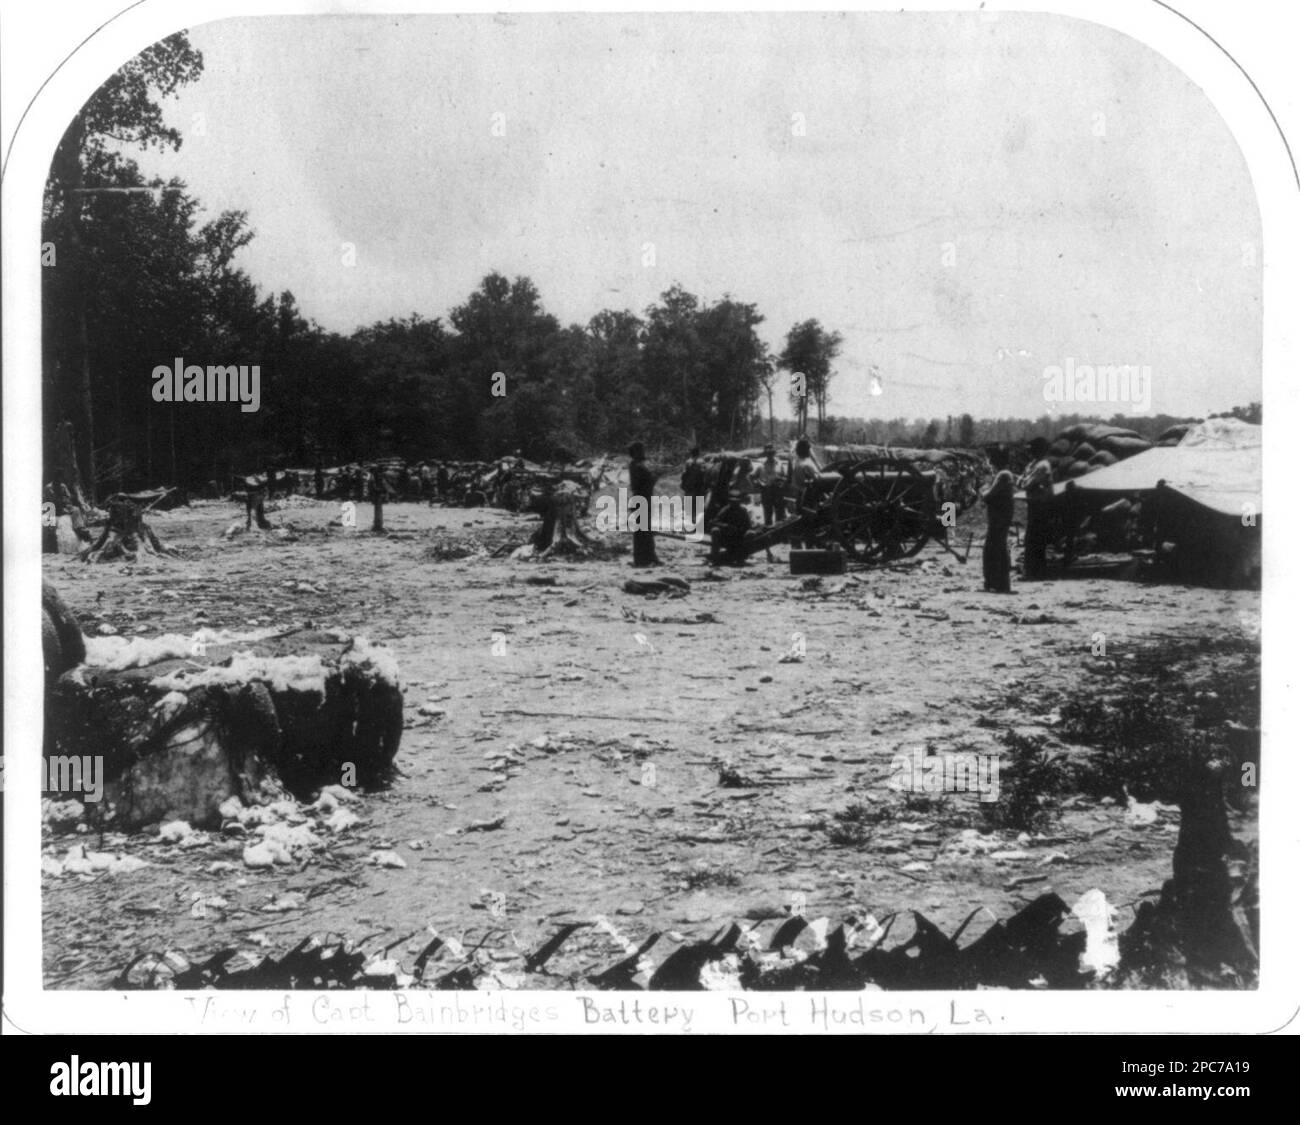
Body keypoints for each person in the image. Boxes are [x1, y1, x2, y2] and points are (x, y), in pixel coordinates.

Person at [980, 446, 1015, 593]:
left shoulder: (1003, 475)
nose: (988, 462)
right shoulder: (1001, 475)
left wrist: (983, 492)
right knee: (995, 548)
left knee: (994, 549)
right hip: (998, 516)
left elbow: (989, 495)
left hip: (1000, 518)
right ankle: (995, 583)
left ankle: (997, 583)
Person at [1018, 437, 1055, 579]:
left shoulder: (1042, 466)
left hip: (1041, 506)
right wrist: (1024, 480)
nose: (1030, 452)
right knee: (1033, 539)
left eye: (1032, 449)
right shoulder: (1035, 464)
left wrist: (1023, 480)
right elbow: (1023, 481)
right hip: (1035, 505)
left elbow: (1025, 484)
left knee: (1035, 540)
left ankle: (1034, 572)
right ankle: (1035, 571)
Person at [627, 441, 661, 567]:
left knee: (645, 530)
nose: (643, 452)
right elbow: (643, 482)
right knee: (642, 531)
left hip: (644, 499)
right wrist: (654, 477)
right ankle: (642, 559)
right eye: (640, 450)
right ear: (635, 452)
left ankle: (650, 557)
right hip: (640, 499)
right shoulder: (637, 466)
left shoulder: (638, 465)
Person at [754, 444, 787, 563]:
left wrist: (781, 482)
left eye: (771, 453)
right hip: (766, 492)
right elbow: (752, 477)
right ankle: (768, 540)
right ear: (765, 454)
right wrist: (759, 484)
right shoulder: (760, 465)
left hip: (777, 492)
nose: (770, 456)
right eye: (768, 453)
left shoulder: (780, 464)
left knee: (780, 516)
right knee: (768, 516)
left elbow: (785, 477)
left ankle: (780, 538)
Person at [789, 439, 821, 549]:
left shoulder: (797, 463)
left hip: (800, 496)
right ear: (807, 450)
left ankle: (797, 546)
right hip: (809, 499)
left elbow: (794, 483)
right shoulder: (807, 464)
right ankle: (809, 547)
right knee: (809, 524)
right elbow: (818, 480)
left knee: (801, 524)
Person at [709, 488, 752, 566]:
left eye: (736, 501)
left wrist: (741, 529)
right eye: (733, 501)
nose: (734, 503)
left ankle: (741, 558)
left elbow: (748, 525)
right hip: (726, 536)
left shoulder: (743, 511)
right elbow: (714, 522)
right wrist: (726, 526)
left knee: (750, 534)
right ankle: (714, 558)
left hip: (739, 536)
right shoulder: (726, 510)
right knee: (715, 530)